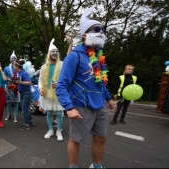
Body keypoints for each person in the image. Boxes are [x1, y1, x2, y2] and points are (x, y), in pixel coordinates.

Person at [56, 7, 116, 168]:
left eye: (102, 32)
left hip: (99, 106)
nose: (101, 34)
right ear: (84, 35)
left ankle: (96, 166)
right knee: (76, 140)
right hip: (80, 106)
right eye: (97, 31)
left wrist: (109, 99)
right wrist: (69, 107)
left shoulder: (98, 57)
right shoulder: (74, 56)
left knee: (101, 138)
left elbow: (100, 82)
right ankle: (73, 167)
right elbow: (61, 85)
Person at [38, 38, 65, 141]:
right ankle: (50, 130)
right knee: (49, 112)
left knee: (59, 113)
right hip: (48, 93)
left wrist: (59, 84)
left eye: (56, 52)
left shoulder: (62, 64)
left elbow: (66, 78)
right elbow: (40, 80)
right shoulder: (44, 67)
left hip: (59, 92)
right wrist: (40, 88)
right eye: (53, 52)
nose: (55, 53)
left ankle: (58, 131)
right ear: (49, 53)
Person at [13, 59, 36, 130]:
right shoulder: (19, 73)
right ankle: (31, 121)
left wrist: (21, 82)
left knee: (24, 110)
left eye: (14, 65)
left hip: (26, 93)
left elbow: (29, 83)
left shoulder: (24, 73)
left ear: (17, 66)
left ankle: (26, 125)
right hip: (23, 93)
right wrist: (14, 82)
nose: (13, 67)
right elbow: (19, 82)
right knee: (24, 109)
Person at [3, 51, 20, 122]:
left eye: (15, 59)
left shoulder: (18, 67)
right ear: (10, 60)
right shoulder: (6, 68)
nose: (13, 60)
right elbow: (4, 78)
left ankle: (15, 115)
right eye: (12, 59)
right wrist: (4, 86)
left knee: (16, 102)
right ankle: (9, 114)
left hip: (17, 86)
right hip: (9, 86)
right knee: (8, 102)